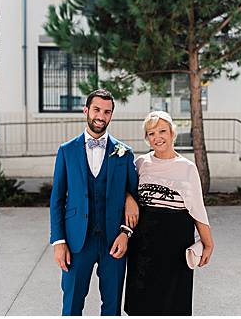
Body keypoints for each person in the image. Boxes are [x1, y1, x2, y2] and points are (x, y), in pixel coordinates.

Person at [49, 89, 140, 316]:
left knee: (112, 307)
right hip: (77, 242)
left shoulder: (124, 153)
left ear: (111, 116)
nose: (101, 116)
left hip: (114, 242)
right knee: (71, 306)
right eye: (97, 110)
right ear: (86, 111)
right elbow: (57, 200)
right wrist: (58, 241)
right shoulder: (67, 151)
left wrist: (125, 232)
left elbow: (135, 196)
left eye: (107, 112)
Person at [124, 111, 214, 315]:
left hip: (174, 250)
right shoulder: (140, 163)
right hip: (143, 249)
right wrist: (129, 199)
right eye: (151, 133)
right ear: (147, 138)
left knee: (173, 306)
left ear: (173, 133)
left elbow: (197, 209)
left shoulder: (187, 168)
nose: (158, 137)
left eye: (162, 131)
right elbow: (126, 191)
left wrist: (208, 243)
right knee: (141, 305)